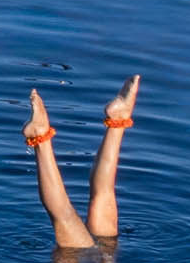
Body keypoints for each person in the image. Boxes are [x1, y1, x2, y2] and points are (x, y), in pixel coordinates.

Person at [19, 76, 140, 251]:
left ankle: (118, 121)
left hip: (95, 258)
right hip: (92, 259)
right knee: (67, 215)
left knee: (100, 197)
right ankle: (41, 138)